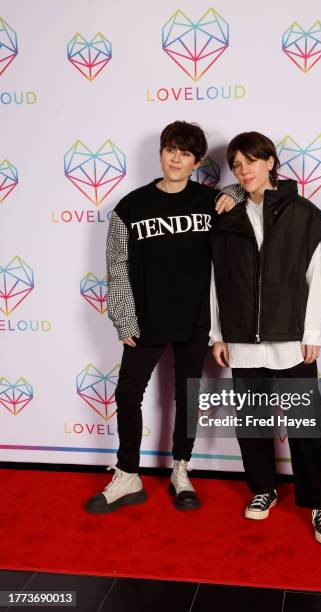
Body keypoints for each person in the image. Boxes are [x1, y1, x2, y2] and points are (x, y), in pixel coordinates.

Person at [85, 121, 236, 514]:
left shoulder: (209, 202)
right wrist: (123, 317)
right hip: (147, 318)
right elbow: (116, 265)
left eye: (185, 153)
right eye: (171, 149)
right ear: (161, 152)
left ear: (197, 161)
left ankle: (181, 470)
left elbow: (249, 195)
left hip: (195, 318)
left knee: (187, 396)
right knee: (127, 394)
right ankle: (128, 474)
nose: (176, 158)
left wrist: (234, 192)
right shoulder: (131, 205)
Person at [210, 131, 321, 544]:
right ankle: (263, 490)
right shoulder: (227, 217)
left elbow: (317, 276)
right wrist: (218, 334)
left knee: (306, 427)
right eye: (236, 164)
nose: (243, 169)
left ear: (270, 162)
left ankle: (320, 506)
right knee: (252, 424)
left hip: (291, 339)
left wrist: (313, 331)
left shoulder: (304, 214)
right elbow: (218, 282)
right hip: (242, 341)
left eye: (251, 160)